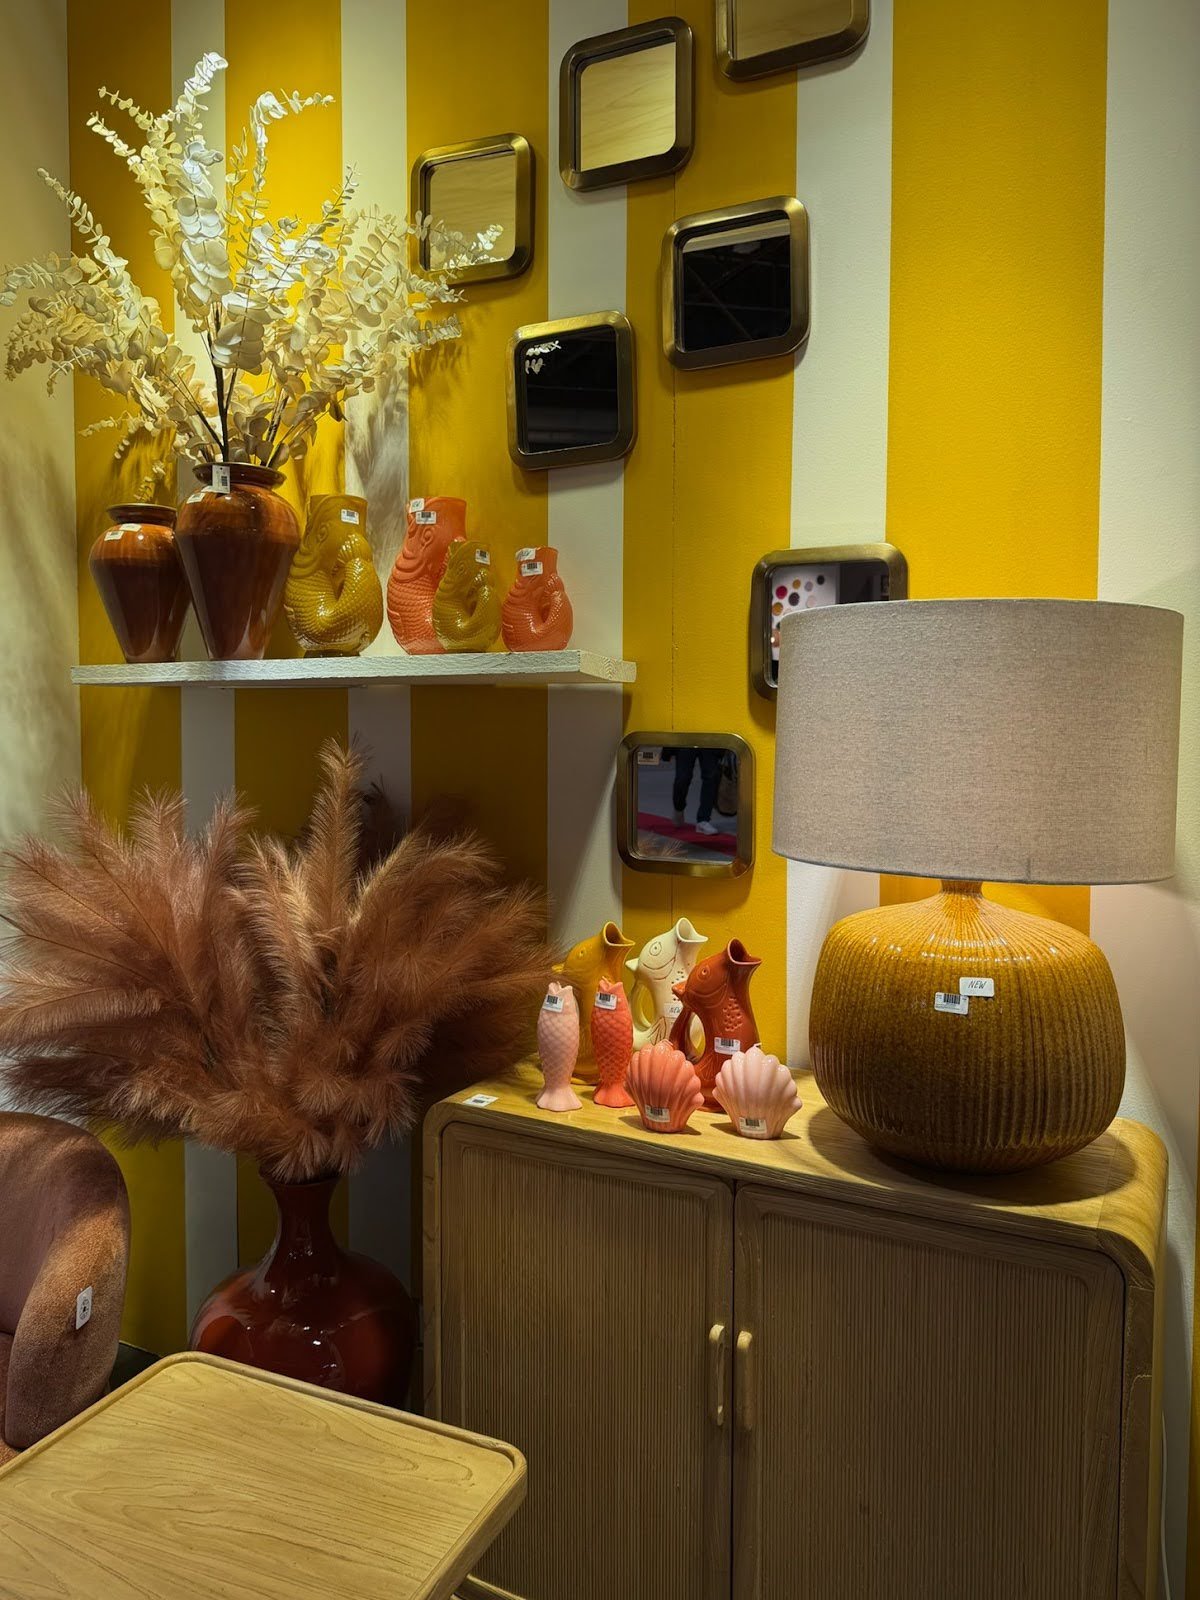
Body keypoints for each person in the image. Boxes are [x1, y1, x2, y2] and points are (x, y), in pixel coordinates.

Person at [672, 747, 721, 835]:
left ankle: (703, 820)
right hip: (686, 740)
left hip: (709, 741)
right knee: (682, 778)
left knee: (711, 777)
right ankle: (679, 807)